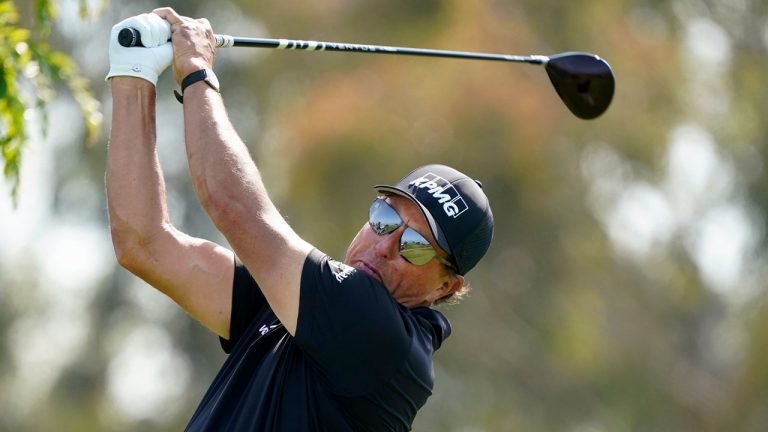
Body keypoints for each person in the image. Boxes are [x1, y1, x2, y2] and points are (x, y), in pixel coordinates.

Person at [105, 8, 493, 431]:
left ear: (445, 286)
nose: (384, 247)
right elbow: (142, 244)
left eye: (414, 247)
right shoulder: (301, 306)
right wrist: (133, 74)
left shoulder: (384, 341)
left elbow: (232, 206)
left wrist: (197, 72)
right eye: (384, 218)